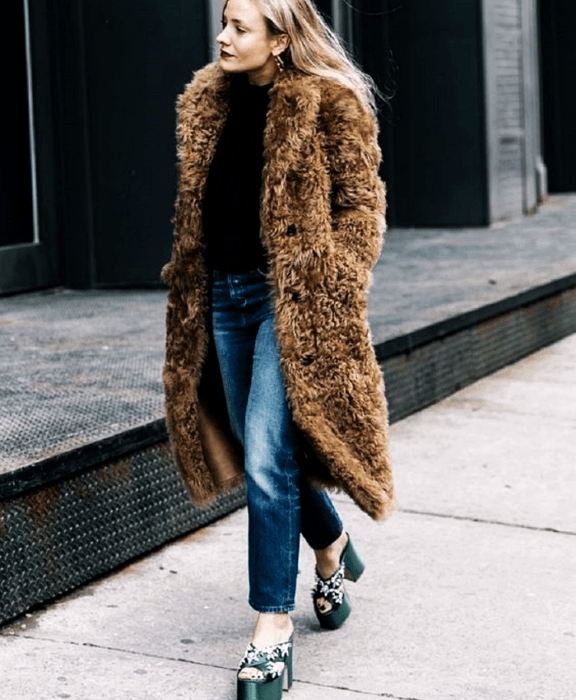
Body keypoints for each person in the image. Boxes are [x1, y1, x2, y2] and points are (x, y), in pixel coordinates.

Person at [162, 0, 395, 697]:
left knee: (266, 453)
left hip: (287, 301)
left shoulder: (331, 103)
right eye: (225, 21)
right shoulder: (208, 100)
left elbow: (361, 208)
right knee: (256, 443)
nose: (223, 34)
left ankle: (272, 626)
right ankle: (331, 546)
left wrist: (332, 281)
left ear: (281, 38)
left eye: (239, 25)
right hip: (225, 300)